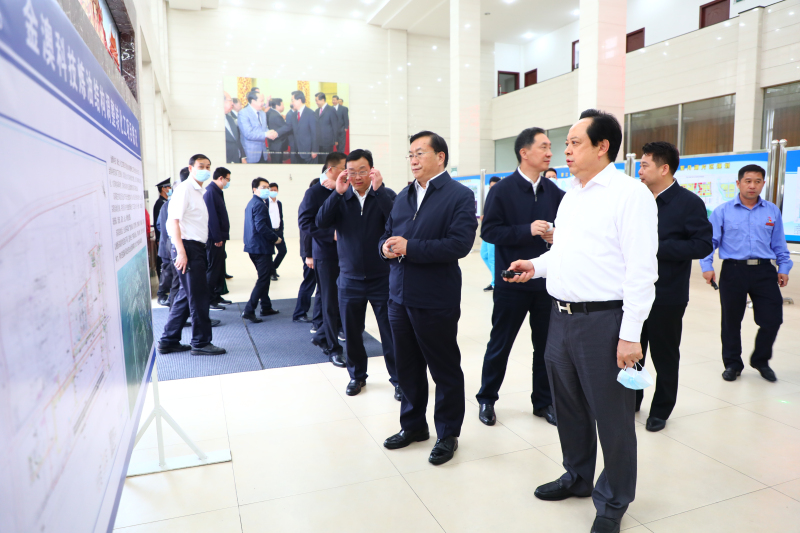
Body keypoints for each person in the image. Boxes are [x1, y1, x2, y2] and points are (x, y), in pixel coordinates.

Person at [506, 110, 658, 533]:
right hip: (561, 318)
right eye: (566, 143)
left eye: (574, 142)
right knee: (568, 406)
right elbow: (565, 253)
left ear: (602, 146)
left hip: (604, 322)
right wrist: (535, 267)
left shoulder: (630, 195)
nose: (565, 151)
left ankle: (613, 500)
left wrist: (630, 335)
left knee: (612, 416)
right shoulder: (572, 195)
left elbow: (642, 271)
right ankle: (576, 476)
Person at [379, 131, 478, 466]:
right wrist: (384, 248)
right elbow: (386, 234)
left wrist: (411, 248)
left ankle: (447, 434)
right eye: (410, 154)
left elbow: (459, 244)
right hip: (399, 296)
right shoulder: (403, 196)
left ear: (440, 157)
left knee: (443, 368)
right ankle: (413, 426)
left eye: (420, 153)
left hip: (435, 298)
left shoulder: (459, 196)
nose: (413, 160)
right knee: (406, 366)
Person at [476, 127, 565, 428]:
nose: (550, 152)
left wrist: (556, 234)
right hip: (511, 283)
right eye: (543, 147)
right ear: (524, 153)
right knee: (500, 344)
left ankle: (543, 402)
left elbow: (568, 231)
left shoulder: (555, 193)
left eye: (550, 147)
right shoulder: (502, 190)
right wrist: (525, 230)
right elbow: (489, 231)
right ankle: (487, 398)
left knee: (545, 347)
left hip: (545, 284)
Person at [635, 142, 713, 431]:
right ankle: (631, 400)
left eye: (645, 165)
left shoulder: (688, 203)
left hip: (667, 295)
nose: (640, 171)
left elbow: (702, 244)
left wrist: (657, 247)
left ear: (664, 168)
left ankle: (661, 410)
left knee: (664, 355)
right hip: (633, 292)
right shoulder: (637, 199)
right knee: (632, 351)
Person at [316, 149, 400, 398]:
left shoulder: (386, 195)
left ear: (372, 170)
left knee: (390, 333)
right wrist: (337, 193)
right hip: (349, 279)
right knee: (352, 334)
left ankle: (399, 380)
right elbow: (320, 222)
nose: (357, 177)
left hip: (382, 278)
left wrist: (379, 191)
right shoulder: (341, 197)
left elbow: (398, 222)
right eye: (351, 172)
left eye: (362, 171)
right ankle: (357, 376)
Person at [700, 164, 792, 383]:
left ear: (763, 184)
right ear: (738, 183)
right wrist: (707, 266)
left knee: (773, 319)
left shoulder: (772, 211)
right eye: (748, 181)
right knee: (731, 321)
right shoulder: (723, 211)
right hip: (734, 270)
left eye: (757, 181)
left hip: (764, 270)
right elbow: (710, 242)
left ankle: (760, 360)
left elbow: (779, 243)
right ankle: (732, 364)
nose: (752, 186)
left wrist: (783, 267)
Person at [157, 154, 227, 357]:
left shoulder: (199, 191)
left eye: (208, 166)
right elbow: (173, 222)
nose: (205, 170)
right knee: (199, 297)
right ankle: (201, 342)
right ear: (190, 168)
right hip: (187, 248)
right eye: (201, 166)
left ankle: (168, 340)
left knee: (185, 296)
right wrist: (181, 251)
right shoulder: (185, 189)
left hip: (195, 248)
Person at [298, 153, 347, 366]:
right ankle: (332, 347)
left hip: (348, 254)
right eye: (344, 168)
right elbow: (305, 223)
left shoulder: (347, 190)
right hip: (326, 255)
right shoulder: (314, 193)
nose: (348, 172)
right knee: (329, 302)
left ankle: (321, 336)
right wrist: (330, 235)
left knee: (343, 300)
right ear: (331, 170)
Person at [242, 178, 282, 323]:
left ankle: (266, 306)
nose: (267, 190)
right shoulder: (260, 205)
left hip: (253, 246)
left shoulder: (251, 203)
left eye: (268, 187)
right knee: (263, 279)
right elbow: (260, 226)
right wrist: (275, 238)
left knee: (264, 277)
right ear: (255, 189)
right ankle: (249, 310)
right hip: (260, 248)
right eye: (263, 187)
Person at [293, 177, 323, 328]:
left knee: (315, 283)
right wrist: (308, 255)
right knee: (309, 282)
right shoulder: (310, 203)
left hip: (315, 252)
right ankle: (299, 313)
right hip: (310, 252)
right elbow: (306, 233)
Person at [204, 167, 232, 310]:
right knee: (213, 268)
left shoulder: (217, 191)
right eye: (228, 179)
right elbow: (211, 218)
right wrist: (216, 237)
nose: (228, 182)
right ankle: (209, 299)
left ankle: (216, 295)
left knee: (219, 268)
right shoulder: (210, 192)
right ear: (221, 178)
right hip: (214, 238)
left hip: (219, 236)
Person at [270, 91, 317, 164]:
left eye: (293, 100)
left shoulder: (310, 113)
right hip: (297, 150)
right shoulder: (294, 115)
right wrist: (276, 133)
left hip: (308, 150)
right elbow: (288, 126)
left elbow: (315, 133)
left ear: (299, 100)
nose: (292, 103)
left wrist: (315, 150)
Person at [156, 176, 180, 307]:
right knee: (167, 273)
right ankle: (162, 295)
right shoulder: (166, 205)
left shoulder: (169, 204)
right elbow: (159, 225)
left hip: (170, 245)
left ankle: (171, 297)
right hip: (168, 245)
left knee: (173, 274)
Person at [479, 176, 501, 292]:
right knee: (484, 254)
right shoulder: (489, 197)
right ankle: (496, 278)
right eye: (491, 187)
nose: (492, 189)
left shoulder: (502, 198)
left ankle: (495, 282)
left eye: (495, 187)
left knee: (493, 258)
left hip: (495, 231)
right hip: (487, 232)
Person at [239, 90, 269, 164]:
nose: (263, 103)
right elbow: (248, 134)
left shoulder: (262, 113)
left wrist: (270, 132)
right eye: (261, 101)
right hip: (251, 154)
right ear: (253, 101)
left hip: (263, 153)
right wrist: (266, 134)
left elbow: (264, 129)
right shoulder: (243, 113)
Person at [153, 177, 171, 300]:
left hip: (165, 239)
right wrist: (160, 239)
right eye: (168, 187)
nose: (170, 189)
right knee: (165, 265)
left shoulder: (165, 202)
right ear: (163, 189)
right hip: (163, 240)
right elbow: (158, 224)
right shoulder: (160, 204)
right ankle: (163, 290)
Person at [268, 182, 286, 280]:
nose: (273, 192)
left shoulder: (279, 203)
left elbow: (280, 217)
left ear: (278, 191)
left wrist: (281, 230)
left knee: (283, 251)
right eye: (271, 190)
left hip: (278, 231)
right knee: (270, 252)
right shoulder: (266, 203)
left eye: (275, 190)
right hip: (270, 231)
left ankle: (272, 269)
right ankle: (272, 273)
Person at [314, 92, 339, 159]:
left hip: (327, 142)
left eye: (317, 100)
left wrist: (336, 139)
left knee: (326, 160)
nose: (316, 102)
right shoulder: (316, 111)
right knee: (319, 160)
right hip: (318, 142)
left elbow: (335, 125)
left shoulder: (331, 109)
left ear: (322, 100)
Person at [224, 91, 245, 164]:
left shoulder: (230, 119)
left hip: (237, 160)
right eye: (230, 100)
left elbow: (237, 140)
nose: (232, 103)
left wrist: (243, 156)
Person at [266, 98, 289, 164]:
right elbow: (285, 128)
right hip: (277, 145)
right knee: (277, 163)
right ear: (277, 106)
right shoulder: (276, 115)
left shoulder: (272, 113)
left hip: (274, 144)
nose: (283, 107)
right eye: (282, 105)